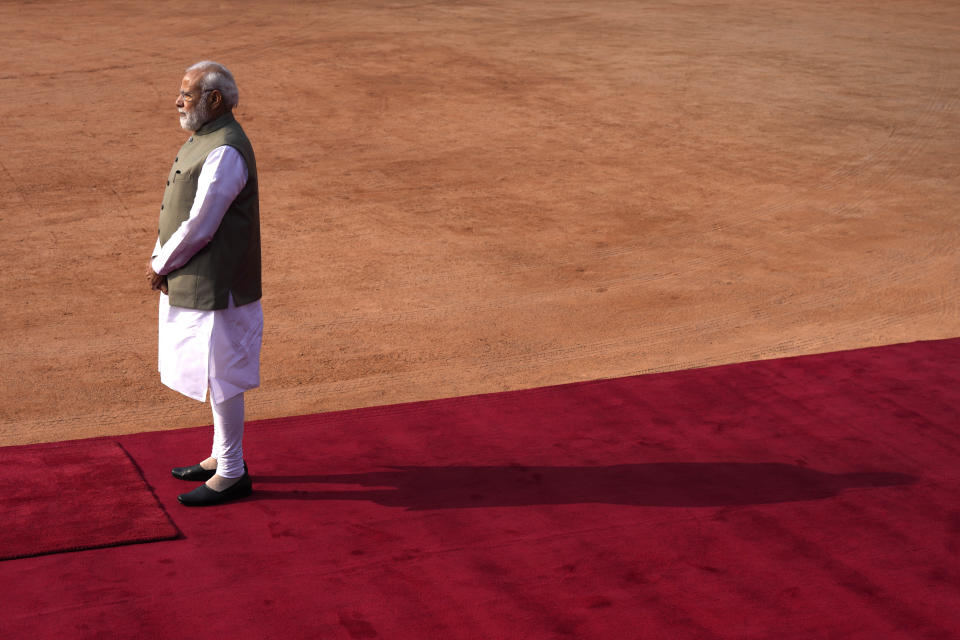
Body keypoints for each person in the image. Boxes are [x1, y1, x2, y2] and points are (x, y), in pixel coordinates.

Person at [147, 61, 262, 506]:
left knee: (225, 374)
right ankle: (220, 457)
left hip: (222, 287)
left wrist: (161, 262)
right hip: (202, 280)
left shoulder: (226, 150)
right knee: (215, 371)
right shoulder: (206, 139)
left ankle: (232, 472)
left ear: (215, 100)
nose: (179, 101)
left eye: (188, 94)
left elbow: (202, 223)